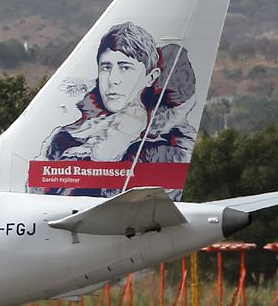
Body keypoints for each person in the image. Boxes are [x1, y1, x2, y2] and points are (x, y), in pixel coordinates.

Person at [39, 22, 198, 196]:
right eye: (106, 67)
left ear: (151, 77)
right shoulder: (67, 138)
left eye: (125, 68)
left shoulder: (168, 148)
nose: (112, 79)